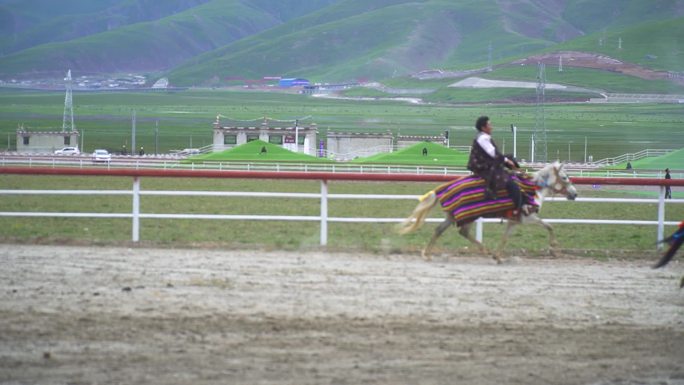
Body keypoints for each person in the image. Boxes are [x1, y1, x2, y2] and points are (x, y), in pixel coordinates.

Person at [467, 116, 530, 215]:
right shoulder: (483, 138)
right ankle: (520, 207)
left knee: (510, 158)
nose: (491, 127)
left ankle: (519, 176)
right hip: (483, 167)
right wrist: (507, 161)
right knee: (510, 183)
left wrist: (507, 160)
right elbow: (493, 153)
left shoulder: (483, 137)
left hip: (486, 164)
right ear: (483, 128)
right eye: (489, 125)